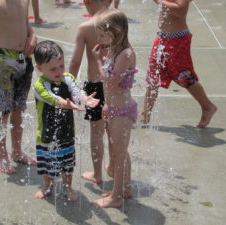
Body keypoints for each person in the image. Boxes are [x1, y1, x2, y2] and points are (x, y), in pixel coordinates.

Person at [33, 40, 100, 201]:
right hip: (46, 135)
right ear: (39, 68)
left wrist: (85, 99)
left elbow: (76, 92)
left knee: (67, 164)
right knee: (47, 165)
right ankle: (47, 186)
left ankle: (67, 187)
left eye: (61, 65)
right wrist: (67, 104)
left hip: (67, 132)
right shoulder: (40, 85)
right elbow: (53, 99)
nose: (59, 71)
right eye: (53, 68)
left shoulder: (67, 78)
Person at [0, 0, 37, 174]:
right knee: (2, 112)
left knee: (19, 109)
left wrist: (33, 37)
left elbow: (27, 26)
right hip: (2, 61)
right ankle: (1, 155)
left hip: (24, 60)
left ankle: (17, 152)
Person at [141, 0, 217, 127]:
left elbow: (180, 11)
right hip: (162, 37)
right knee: (153, 75)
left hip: (176, 40)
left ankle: (207, 106)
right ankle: (145, 114)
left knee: (183, 76)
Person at [91, 9, 137, 208]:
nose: (98, 38)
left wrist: (97, 61)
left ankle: (116, 197)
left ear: (116, 32)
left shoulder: (126, 54)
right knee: (120, 152)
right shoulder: (112, 49)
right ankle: (125, 187)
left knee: (119, 153)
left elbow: (110, 83)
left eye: (102, 34)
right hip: (114, 108)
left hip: (123, 111)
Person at [69, 0, 111, 185]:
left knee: (96, 132)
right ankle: (114, 166)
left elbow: (75, 61)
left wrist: (68, 86)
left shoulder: (86, 27)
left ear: (86, 2)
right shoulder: (118, 21)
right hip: (115, 84)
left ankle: (97, 173)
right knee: (113, 129)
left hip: (95, 86)